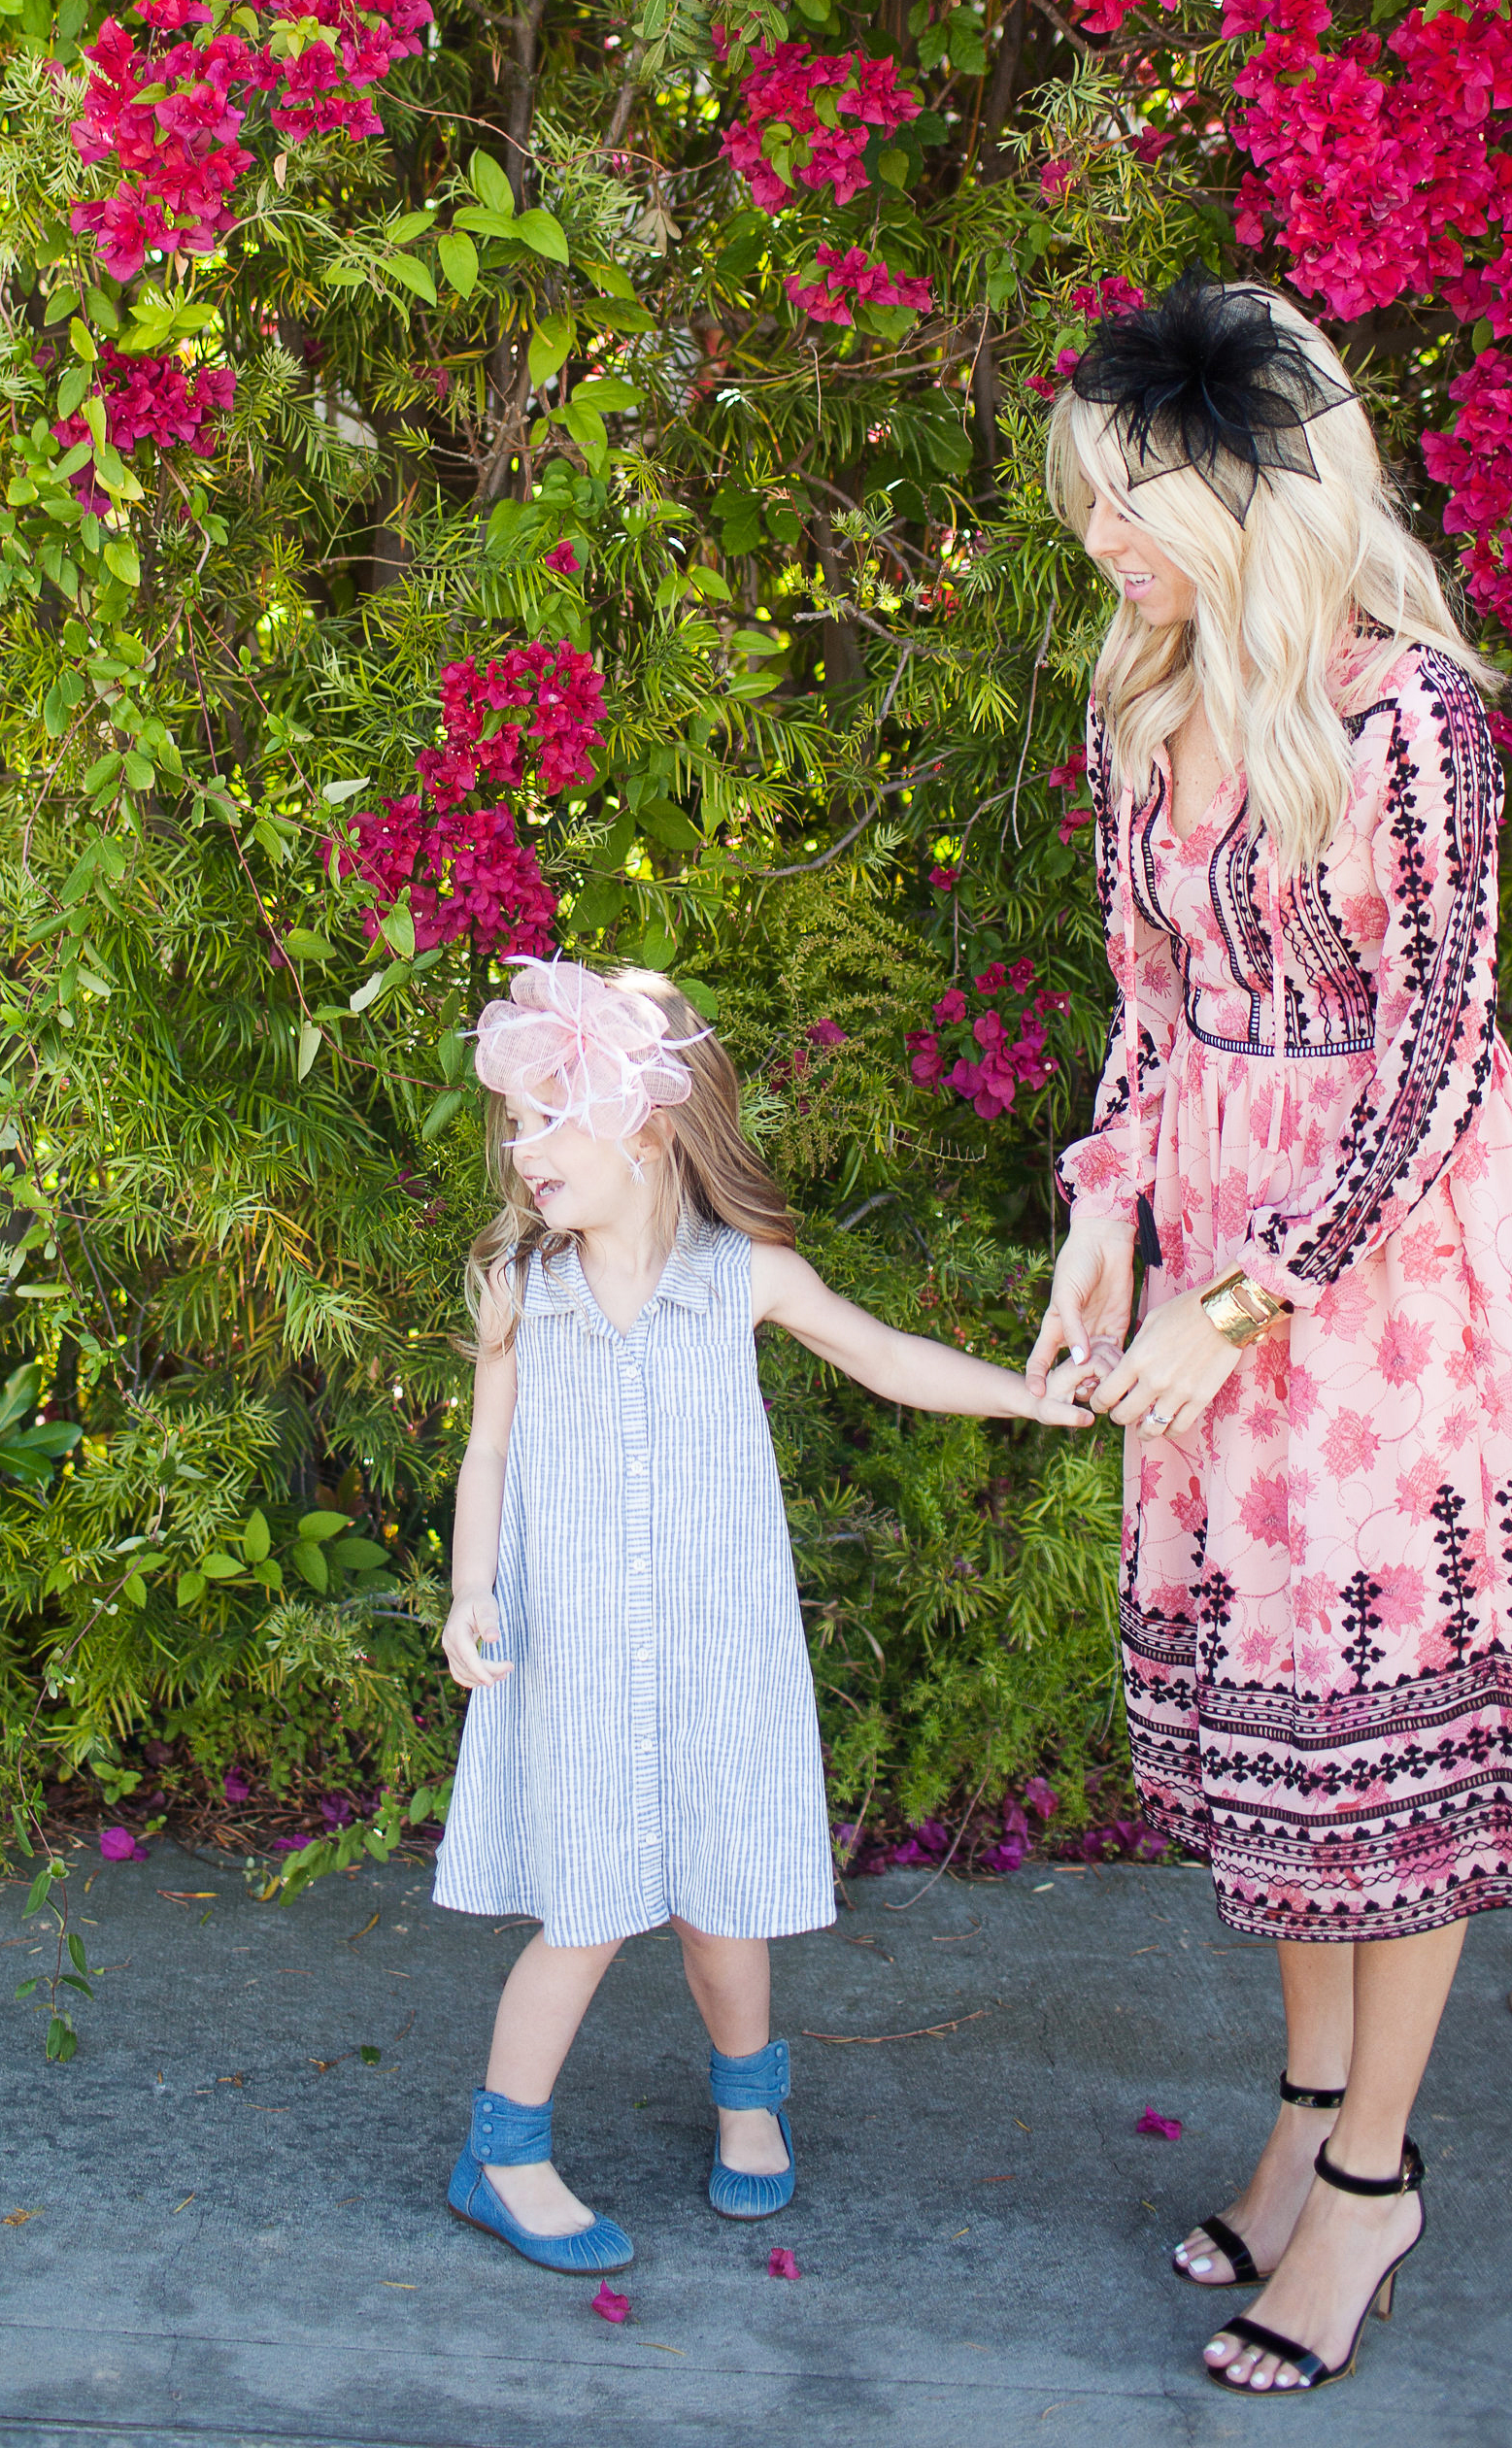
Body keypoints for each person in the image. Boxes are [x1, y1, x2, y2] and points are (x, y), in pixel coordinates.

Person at [1026, 269, 1512, 2395]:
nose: (1101, 542)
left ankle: (1369, 2178)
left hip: (1379, 1279)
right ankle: (1302, 2116)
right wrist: (1107, 1222)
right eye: (1086, 504)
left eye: (1135, 502)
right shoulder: (1136, 704)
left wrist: (1255, 1290)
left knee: (1384, 1754)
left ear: (1267, 491)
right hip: (1214, 1234)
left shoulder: (1409, 718)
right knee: (1280, 1752)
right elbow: (1151, 1014)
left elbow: (1436, 1053)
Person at [432, 956, 1087, 2275]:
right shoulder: (525, 1289)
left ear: (651, 1126)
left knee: (724, 1904)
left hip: (718, 1657)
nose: (526, 1147)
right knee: (588, 1905)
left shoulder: (745, 1278)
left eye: (557, 1116)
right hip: (579, 1663)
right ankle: (499, 2152)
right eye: (520, 1119)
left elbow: (887, 1358)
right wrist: (469, 1588)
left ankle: (750, 2101)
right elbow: (488, 1455)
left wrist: (1026, 1397)